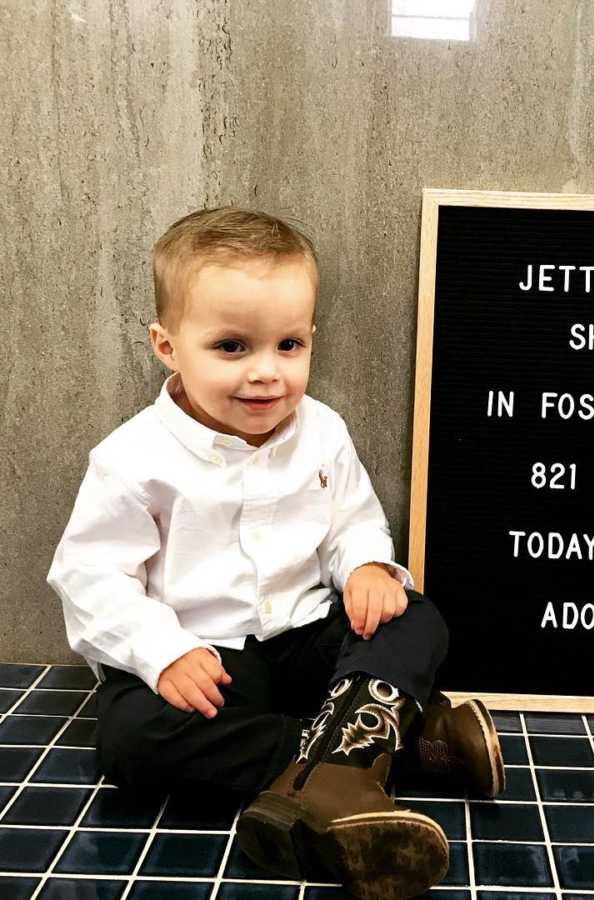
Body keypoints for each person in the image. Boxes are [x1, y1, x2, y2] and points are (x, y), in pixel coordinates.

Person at [45, 207, 506, 900]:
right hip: (210, 664)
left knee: (414, 617)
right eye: (232, 347)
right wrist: (159, 650)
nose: (267, 373)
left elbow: (352, 523)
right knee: (129, 737)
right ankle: (385, 749)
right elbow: (89, 575)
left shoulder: (322, 432)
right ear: (167, 346)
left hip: (305, 642)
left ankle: (331, 771)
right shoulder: (132, 459)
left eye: (288, 346)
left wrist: (366, 569)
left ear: (311, 337)